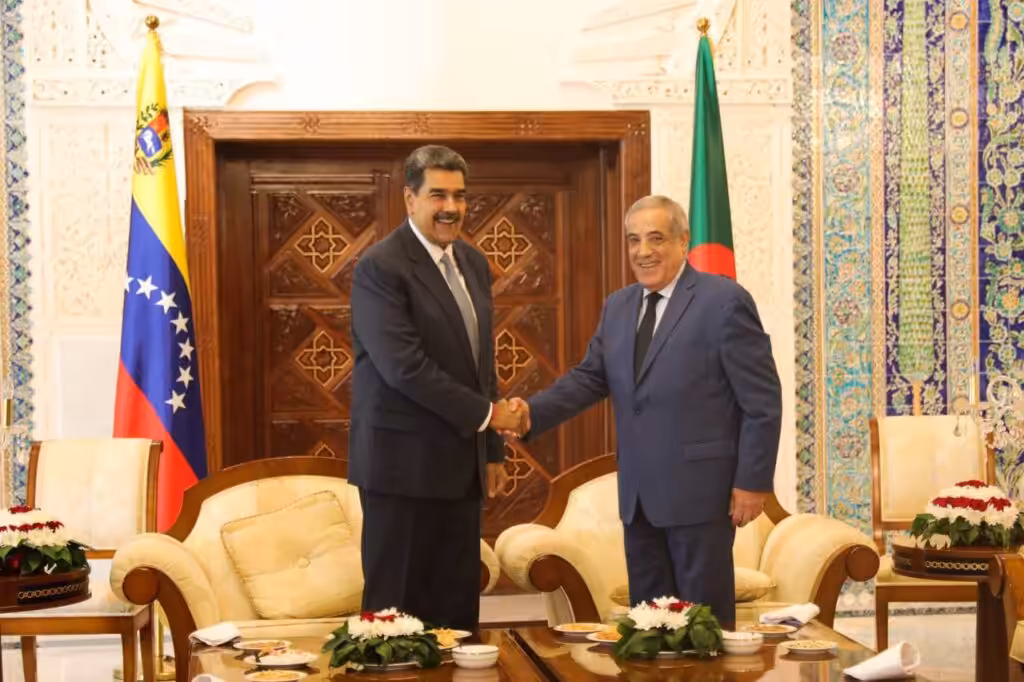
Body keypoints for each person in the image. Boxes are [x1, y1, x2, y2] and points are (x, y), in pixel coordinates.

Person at [507, 195, 782, 627]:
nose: (643, 251)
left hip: (701, 495)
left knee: (703, 627)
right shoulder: (619, 306)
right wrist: (531, 414)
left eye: (656, 239)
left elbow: (762, 400)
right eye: (633, 240)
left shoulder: (724, 301)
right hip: (638, 499)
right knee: (651, 628)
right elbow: (589, 378)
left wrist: (752, 482)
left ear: (682, 241)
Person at [349, 145, 524, 631]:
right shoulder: (380, 267)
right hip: (399, 471)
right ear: (409, 199)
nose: (451, 207)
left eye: (460, 196)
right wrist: (490, 416)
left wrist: (491, 452)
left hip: (460, 471)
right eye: (437, 195)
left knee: (456, 612)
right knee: (396, 618)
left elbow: (479, 364)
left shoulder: (472, 262)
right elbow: (404, 368)